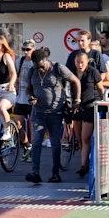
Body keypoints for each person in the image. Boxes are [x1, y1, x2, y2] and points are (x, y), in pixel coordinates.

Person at [26, 47, 81, 184]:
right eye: (36, 67)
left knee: (56, 144)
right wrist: (30, 97)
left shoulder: (58, 68)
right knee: (37, 142)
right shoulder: (33, 71)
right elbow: (28, 89)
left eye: (41, 67)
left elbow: (76, 81)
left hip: (56, 113)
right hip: (38, 113)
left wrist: (77, 101)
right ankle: (35, 172)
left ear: (46, 61)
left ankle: (55, 173)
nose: (40, 70)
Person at [71, 51, 104, 178]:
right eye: (78, 62)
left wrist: (102, 102)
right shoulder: (72, 73)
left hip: (89, 106)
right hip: (76, 108)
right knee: (79, 139)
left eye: (82, 62)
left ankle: (83, 166)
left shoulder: (92, 72)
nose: (80, 65)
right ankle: (85, 160)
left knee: (86, 138)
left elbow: (101, 88)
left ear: (87, 62)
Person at [14, 39, 36, 161]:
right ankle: (26, 144)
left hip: (32, 98)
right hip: (21, 97)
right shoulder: (19, 61)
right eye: (24, 49)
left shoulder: (35, 62)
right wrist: (16, 92)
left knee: (33, 125)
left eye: (28, 49)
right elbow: (16, 78)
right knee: (18, 124)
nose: (26, 52)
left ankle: (33, 150)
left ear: (34, 49)